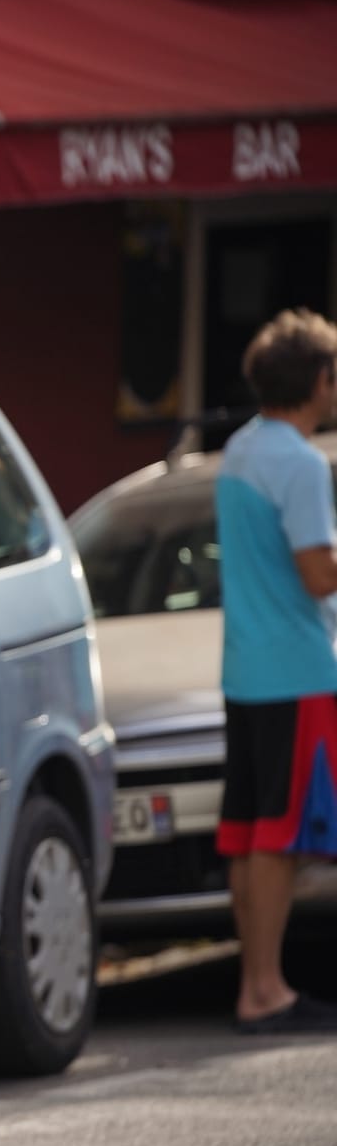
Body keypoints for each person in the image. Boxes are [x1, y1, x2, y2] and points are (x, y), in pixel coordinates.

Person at [215, 306, 337, 1033]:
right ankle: (266, 989)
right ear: (319, 381)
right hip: (296, 668)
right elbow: (318, 574)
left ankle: (254, 980)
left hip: (243, 671)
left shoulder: (236, 452)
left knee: (247, 830)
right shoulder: (299, 463)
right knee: (279, 838)